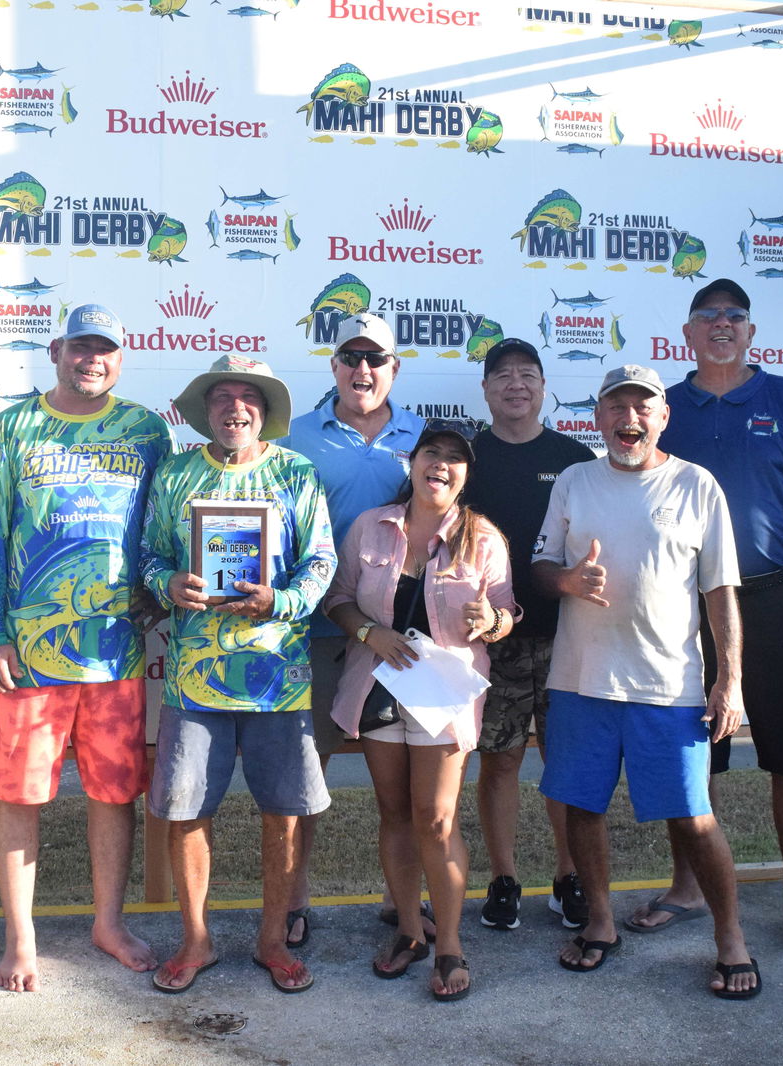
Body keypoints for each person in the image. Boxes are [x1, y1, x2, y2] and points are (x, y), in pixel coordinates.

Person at [636, 279, 783, 957]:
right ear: (688, 334)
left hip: (782, 598)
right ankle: (687, 886)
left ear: (752, 333)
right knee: (690, 761)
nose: (723, 326)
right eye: (709, 317)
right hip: (685, 608)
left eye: (735, 317)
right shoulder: (665, 409)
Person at [532, 364, 760, 999]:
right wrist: (567, 581)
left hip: (670, 687)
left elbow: (720, 592)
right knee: (582, 808)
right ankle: (600, 923)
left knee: (693, 817)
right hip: (581, 682)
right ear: (599, 417)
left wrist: (729, 680)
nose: (628, 420)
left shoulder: (696, 485)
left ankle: (731, 940)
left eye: (642, 408)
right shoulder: (575, 481)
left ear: (662, 416)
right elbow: (543, 565)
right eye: (616, 407)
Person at [0, 303, 172, 991]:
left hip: (115, 653)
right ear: (54, 350)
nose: (93, 359)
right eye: (80, 347)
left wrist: (161, 589)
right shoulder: (11, 427)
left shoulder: (146, 431)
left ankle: (107, 923)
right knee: (19, 796)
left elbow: (163, 533)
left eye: (106, 349)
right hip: (29, 656)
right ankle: (20, 940)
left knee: (114, 795)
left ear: (121, 357)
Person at [140, 355, 335, 994]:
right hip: (194, 677)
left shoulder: (296, 472)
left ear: (263, 411)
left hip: (278, 675)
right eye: (221, 397)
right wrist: (166, 582)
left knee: (283, 811)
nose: (234, 408)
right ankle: (196, 940)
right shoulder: (174, 473)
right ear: (206, 410)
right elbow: (147, 556)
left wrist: (279, 601)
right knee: (186, 807)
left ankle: (272, 939)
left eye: (246, 397)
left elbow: (321, 562)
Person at [326, 420, 516, 1002]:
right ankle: (409, 931)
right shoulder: (369, 526)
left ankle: (450, 945)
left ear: (466, 474)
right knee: (395, 815)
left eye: (455, 458)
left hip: (442, 697)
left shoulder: (483, 537)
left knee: (436, 818)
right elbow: (336, 598)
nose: (442, 464)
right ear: (411, 462)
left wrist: (492, 623)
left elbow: (507, 612)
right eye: (432, 452)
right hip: (378, 686)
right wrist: (368, 633)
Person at [279, 311, 424, 946]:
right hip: (313, 631)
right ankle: (293, 900)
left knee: (406, 782)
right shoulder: (295, 434)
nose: (363, 370)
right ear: (333, 365)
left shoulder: (424, 438)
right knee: (304, 770)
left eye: (376, 359)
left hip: (396, 637)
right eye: (350, 358)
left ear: (395, 368)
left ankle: (404, 903)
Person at [462, 339, 595, 933]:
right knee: (500, 761)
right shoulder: (466, 457)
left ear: (544, 387)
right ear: (487, 390)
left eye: (528, 375)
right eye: (504, 376)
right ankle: (504, 878)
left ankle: (570, 877)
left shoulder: (574, 458)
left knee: (565, 763)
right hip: (493, 641)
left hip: (570, 634)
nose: (516, 384)